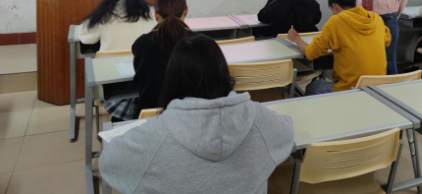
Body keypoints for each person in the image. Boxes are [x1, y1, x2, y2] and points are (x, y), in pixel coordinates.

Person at [99, 35, 294, 194]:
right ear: (223, 72)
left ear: (172, 80)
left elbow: (108, 163)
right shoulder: (258, 118)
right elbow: (288, 130)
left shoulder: (154, 136)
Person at [287, 0, 391, 94]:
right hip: (378, 88)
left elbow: (310, 53)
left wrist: (296, 38)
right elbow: (387, 40)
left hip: (351, 89)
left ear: (335, 6)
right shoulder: (376, 19)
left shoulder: (335, 22)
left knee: (313, 86)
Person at [132, 0, 197, 116]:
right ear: (185, 11)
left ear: (156, 15)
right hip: (191, 117)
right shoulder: (202, 43)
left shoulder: (141, 44)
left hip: (151, 118)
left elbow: (140, 81)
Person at [76, 0, 156, 51]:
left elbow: (86, 38)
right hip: (143, 60)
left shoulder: (104, 15)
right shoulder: (151, 12)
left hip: (110, 60)